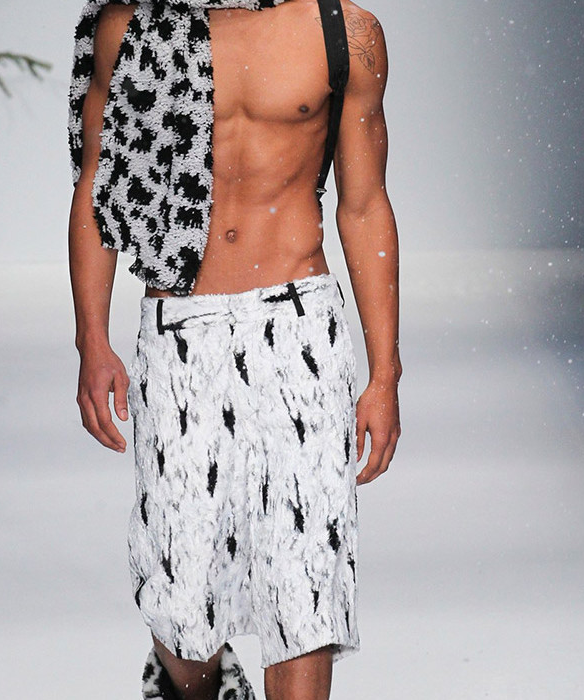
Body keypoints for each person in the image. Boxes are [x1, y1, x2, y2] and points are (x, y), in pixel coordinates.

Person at [67, 0, 401, 697]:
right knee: (180, 591)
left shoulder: (343, 32)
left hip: (300, 324)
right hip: (180, 329)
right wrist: (91, 339)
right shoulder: (130, 29)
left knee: (304, 585)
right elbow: (98, 183)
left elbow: (365, 203)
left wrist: (384, 373)